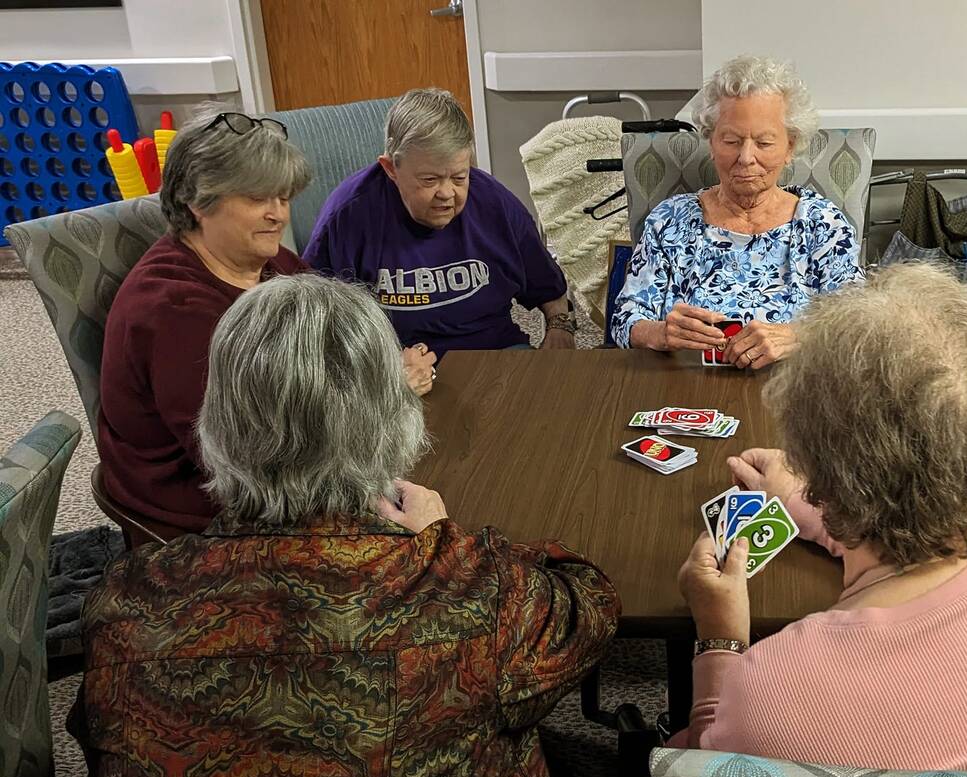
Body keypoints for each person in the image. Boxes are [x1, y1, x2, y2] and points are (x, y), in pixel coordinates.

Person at [73, 274, 620, 777]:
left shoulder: (123, 602)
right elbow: (589, 602)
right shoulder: (468, 593)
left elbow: (99, 743)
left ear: (217, 421)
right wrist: (447, 540)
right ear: (392, 419)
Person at [676, 263, 967, 772]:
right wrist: (811, 506)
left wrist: (720, 639)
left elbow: (705, 773)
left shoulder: (778, 687)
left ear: (821, 471)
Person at [97, 109, 321, 533]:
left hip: (285, 462)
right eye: (259, 199)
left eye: (284, 197)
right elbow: (241, 463)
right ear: (198, 201)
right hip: (203, 512)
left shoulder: (273, 264)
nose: (280, 215)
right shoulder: (172, 313)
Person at [611, 55, 862, 368]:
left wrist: (797, 336)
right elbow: (625, 321)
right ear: (712, 142)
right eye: (731, 140)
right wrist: (660, 333)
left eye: (764, 142)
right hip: (686, 393)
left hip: (793, 396)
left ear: (789, 147)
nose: (746, 158)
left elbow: (858, 325)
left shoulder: (822, 225)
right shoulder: (670, 221)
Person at [304, 88, 575, 355]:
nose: (447, 194)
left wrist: (560, 327)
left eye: (459, 177)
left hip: (493, 352)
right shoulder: (348, 215)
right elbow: (309, 322)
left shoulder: (496, 205)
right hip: (392, 366)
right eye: (429, 180)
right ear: (391, 169)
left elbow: (549, 289)